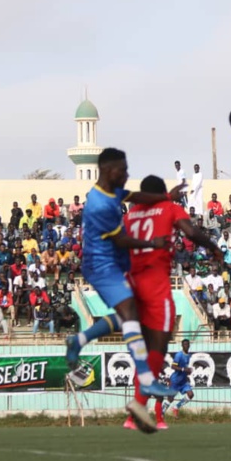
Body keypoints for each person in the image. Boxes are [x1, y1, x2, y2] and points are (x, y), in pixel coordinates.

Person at [64, 148, 184, 434]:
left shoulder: (112, 192)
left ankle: (78, 340)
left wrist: (167, 196)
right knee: (131, 311)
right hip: (101, 265)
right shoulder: (99, 205)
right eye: (123, 169)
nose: (127, 174)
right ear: (107, 170)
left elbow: (137, 196)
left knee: (130, 316)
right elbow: (120, 240)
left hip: (114, 263)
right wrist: (154, 244)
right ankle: (145, 374)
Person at [121, 175, 221, 431]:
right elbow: (190, 231)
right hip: (154, 286)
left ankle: (132, 416)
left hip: (130, 288)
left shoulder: (129, 216)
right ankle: (138, 403)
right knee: (159, 346)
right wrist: (212, 246)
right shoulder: (169, 208)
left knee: (145, 353)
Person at [161, 339, 195, 423]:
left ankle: (176, 407)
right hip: (175, 380)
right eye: (184, 344)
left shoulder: (189, 355)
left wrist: (188, 371)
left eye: (187, 344)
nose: (186, 346)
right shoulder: (179, 355)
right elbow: (173, 366)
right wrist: (184, 369)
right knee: (170, 399)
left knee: (190, 394)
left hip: (183, 381)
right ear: (182, 346)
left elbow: (186, 368)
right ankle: (161, 414)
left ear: (189, 345)